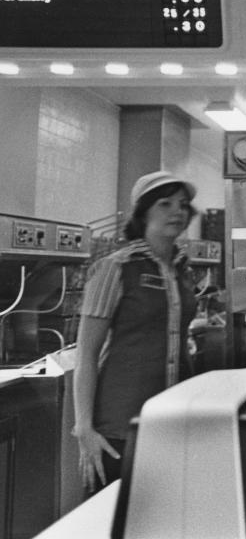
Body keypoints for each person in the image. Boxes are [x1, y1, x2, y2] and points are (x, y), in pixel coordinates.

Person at [73, 171, 199, 495]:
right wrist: (84, 428)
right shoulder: (116, 267)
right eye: (165, 203)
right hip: (119, 429)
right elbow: (86, 353)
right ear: (143, 212)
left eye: (183, 205)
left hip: (172, 424)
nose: (177, 211)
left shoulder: (183, 269)